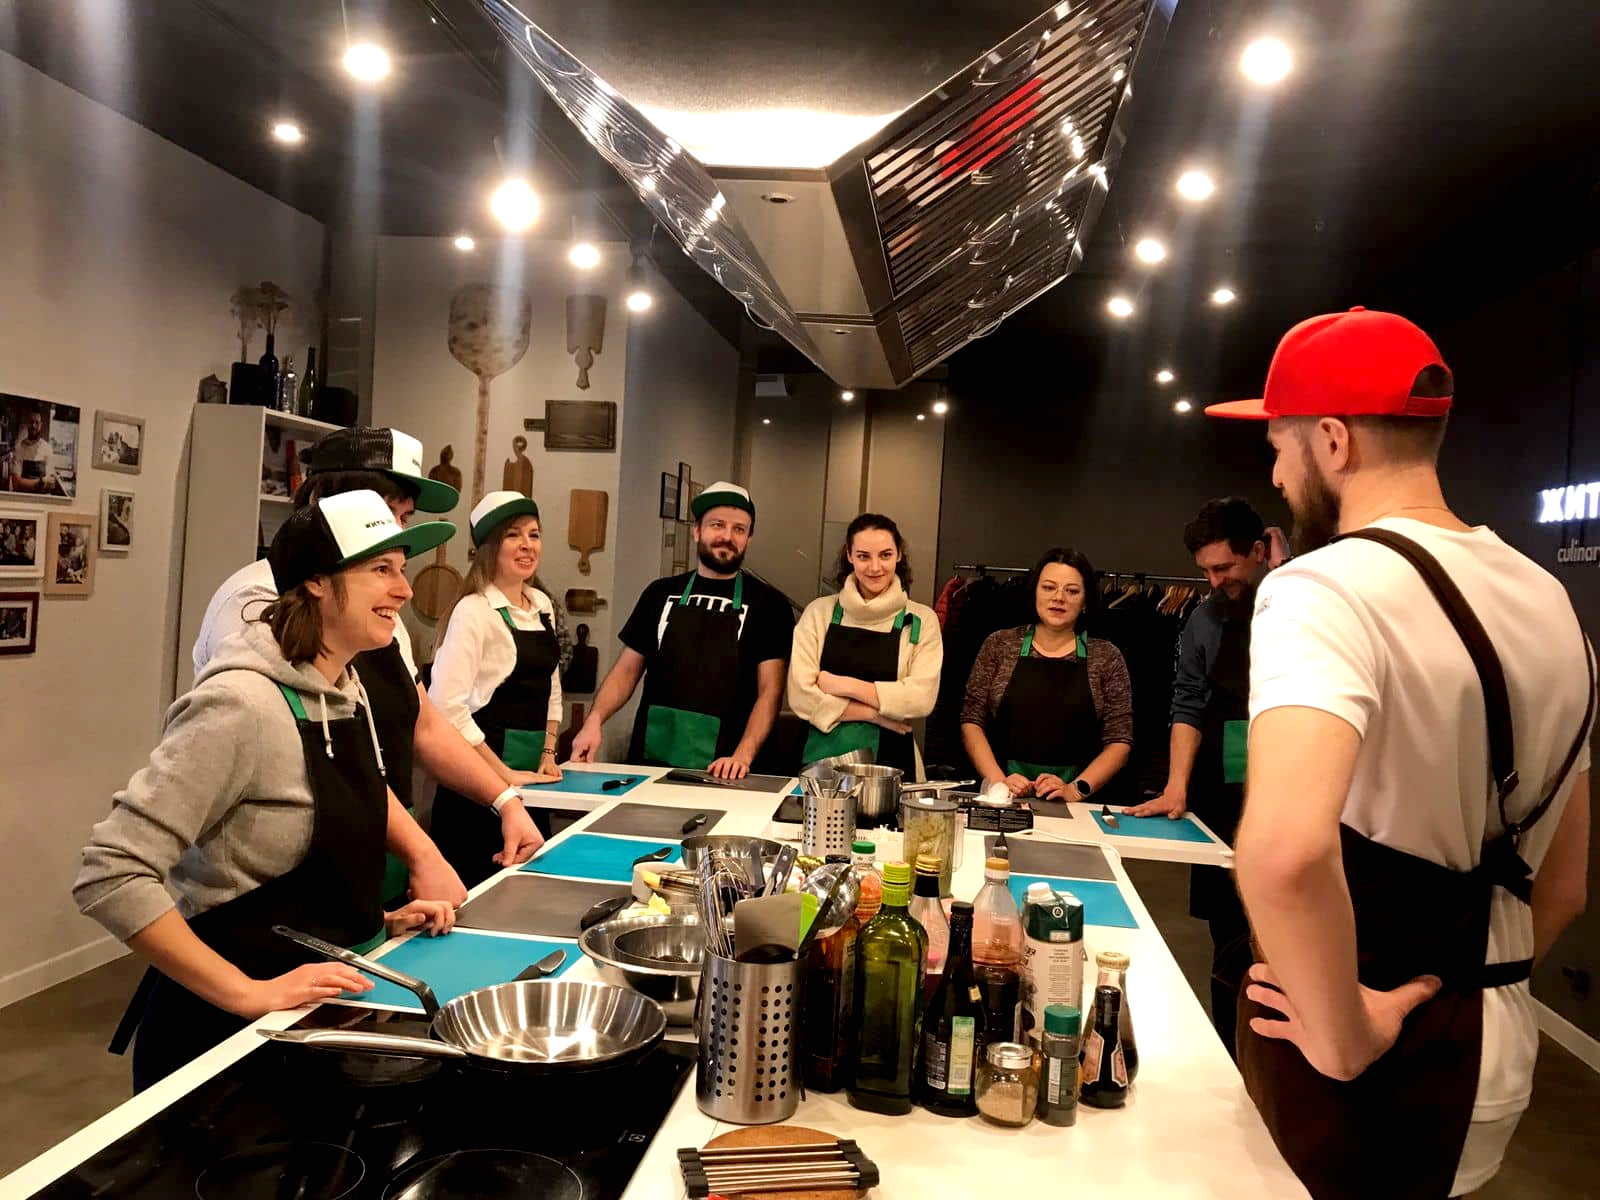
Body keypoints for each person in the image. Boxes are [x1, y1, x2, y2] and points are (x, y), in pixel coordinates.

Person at [1209, 307, 1594, 1198]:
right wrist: (1459, 988)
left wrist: (1347, 1036)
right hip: (1497, 1047)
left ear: (1332, 441)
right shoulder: (1553, 604)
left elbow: (1283, 852)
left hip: (1363, 1068)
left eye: (1279, 446)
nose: (1275, 473)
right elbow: (1566, 885)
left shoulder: (1323, 588)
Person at [75, 491, 463, 1091]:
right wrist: (246, 992)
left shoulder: (348, 693)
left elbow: (283, 867)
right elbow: (110, 872)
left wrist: (375, 922)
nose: (405, 590)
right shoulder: (239, 705)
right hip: (224, 1047)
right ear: (316, 581)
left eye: (403, 570)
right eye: (381, 570)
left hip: (314, 1027)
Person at [193, 426, 544, 900]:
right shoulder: (255, 602)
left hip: (372, 860)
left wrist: (503, 799)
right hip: (278, 885)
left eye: (403, 517)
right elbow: (319, 760)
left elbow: (422, 723)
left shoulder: (377, 613)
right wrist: (423, 852)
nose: (396, 533)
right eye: (382, 512)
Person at [1127, 496, 1273, 1054]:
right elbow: (1187, 704)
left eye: (1224, 568)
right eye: (1206, 571)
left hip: (1287, 791)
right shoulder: (1204, 619)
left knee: (1281, 933)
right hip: (1220, 793)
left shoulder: (1302, 607)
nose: (1214, 582)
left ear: (1258, 551)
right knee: (1227, 934)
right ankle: (1231, 1055)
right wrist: (1176, 785)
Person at [571, 483, 793, 777]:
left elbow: (770, 692)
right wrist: (594, 720)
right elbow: (626, 672)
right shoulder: (659, 593)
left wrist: (743, 755)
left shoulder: (770, 605)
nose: (727, 537)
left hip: (730, 771)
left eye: (739, 529)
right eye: (717, 525)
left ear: (748, 539)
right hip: (654, 764)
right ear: (697, 531)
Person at [428, 492, 564, 887]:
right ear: (489, 547)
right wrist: (500, 773)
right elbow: (445, 708)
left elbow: (552, 685)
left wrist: (548, 755)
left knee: (527, 889)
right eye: (513, 535)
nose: (527, 545)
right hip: (475, 790)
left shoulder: (541, 604)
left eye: (534, 535)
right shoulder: (473, 611)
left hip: (531, 788)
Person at [960, 547, 1133, 801]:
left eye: (1072, 591)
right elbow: (971, 721)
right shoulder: (999, 645)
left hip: (1076, 807)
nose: (1058, 597)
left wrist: (1074, 790)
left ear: (1086, 600)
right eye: (1049, 587)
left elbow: (1119, 741)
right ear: (1034, 592)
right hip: (1002, 801)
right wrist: (999, 783)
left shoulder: (1107, 657)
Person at [789, 514, 943, 778]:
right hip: (818, 766)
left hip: (894, 766)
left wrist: (842, 685)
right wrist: (874, 715)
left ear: (899, 555)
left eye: (885, 555)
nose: (875, 567)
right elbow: (801, 698)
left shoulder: (921, 620)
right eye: (863, 556)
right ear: (849, 556)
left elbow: (921, 699)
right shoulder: (819, 613)